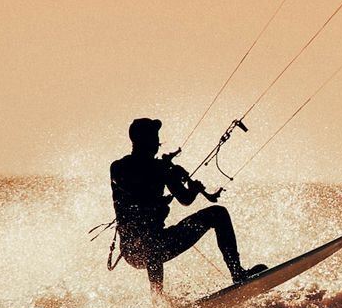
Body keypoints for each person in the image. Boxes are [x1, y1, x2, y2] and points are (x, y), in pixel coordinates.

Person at [109, 117, 265, 295]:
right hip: (134, 249)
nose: (157, 143)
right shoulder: (120, 167)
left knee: (218, 213)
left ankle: (237, 273)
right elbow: (134, 187)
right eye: (154, 138)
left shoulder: (162, 169)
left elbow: (185, 199)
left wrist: (194, 189)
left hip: (163, 240)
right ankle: (158, 302)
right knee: (150, 243)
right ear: (141, 141)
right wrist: (161, 173)